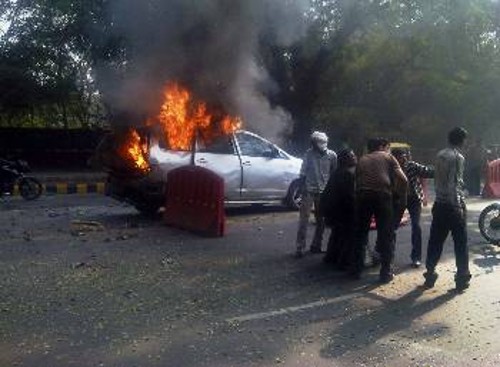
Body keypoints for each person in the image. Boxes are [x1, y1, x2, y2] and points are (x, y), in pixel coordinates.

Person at [350, 138, 408, 283]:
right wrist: (401, 198)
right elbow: (404, 180)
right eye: (387, 147)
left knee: (360, 235)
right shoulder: (388, 156)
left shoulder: (362, 159)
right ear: (382, 147)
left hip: (363, 197)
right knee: (386, 235)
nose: (388, 149)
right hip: (382, 196)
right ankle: (385, 272)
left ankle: (356, 270)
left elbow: (356, 183)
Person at [423, 127, 471, 292]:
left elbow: (439, 179)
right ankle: (462, 278)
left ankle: (430, 273)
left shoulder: (440, 154)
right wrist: (458, 205)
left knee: (435, 240)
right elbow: (454, 184)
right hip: (453, 205)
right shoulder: (458, 157)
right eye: (466, 139)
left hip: (440, 204)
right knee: (461, 243)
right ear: (462, 140)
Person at [295, 131, 337, 258]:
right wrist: (301, 189)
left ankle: (316, 245)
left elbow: (334, 173)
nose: (314, 146)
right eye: (313, 143)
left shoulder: (332, 155)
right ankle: (300, 247)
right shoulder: (309, 154)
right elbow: (302, 173)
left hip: (323, 192)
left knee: (321, 220)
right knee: (304, 220)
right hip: (308, 190)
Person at [391, 148, 434, 267]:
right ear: (394, 158)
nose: (403, 159)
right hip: (398, 199)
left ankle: (416, 257)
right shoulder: (390, 168)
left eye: (404, 156)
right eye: (400, 157)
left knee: (416, 226)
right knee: (392, 228)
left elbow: (427, 172)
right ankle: (389, 257)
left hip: (413, 199)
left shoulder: (412, 165)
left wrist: (441, 170)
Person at [321, 149, 357, 270]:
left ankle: (331, 257)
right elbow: (349, 196)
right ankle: (344, 262)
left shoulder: (337, 172)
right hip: (342, 211)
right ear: (345, 159)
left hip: (333, 211)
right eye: (352, 156)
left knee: (336, 234)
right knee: (349, 236)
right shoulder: (348, 174)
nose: (355, 157)